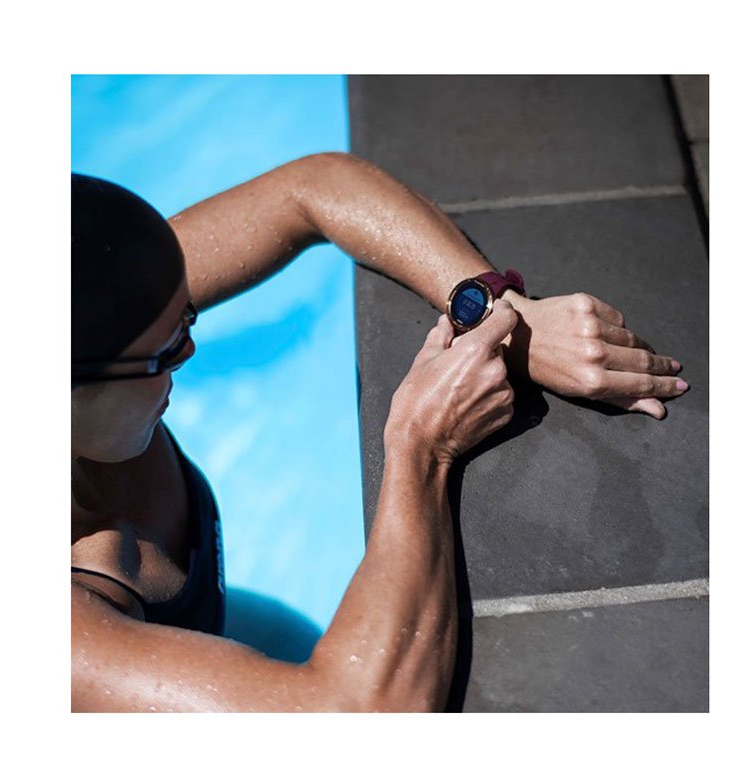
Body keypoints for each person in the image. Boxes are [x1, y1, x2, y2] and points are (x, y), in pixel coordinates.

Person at [71, 153, 686, 712]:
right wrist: (422, 445)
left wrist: (501, 312)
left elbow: (310, 189)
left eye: (187, 316)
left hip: (206, 626)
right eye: (165, 351)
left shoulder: (92, 298)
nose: (190, 350)